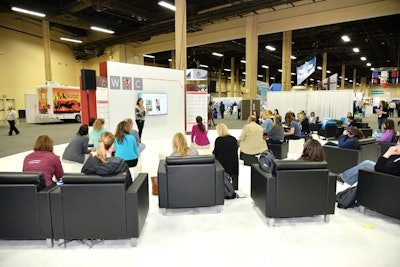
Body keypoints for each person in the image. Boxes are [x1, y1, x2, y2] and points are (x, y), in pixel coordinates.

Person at [212, 123, 239, 190]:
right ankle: (235, 186)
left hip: (222, 163)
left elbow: (215, 152)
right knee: (234, 171)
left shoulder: (218, 140)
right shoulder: (233, 139)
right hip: (233, 162)